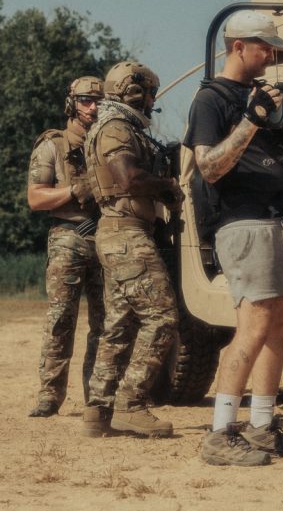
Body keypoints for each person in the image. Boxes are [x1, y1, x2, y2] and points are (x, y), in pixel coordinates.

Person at [184, 10, 283, 466]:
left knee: (278, 329)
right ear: (238, 46)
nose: (271, 55)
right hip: (245, 224)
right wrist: (251, 120)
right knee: (252, 329)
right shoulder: (212, 100)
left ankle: (261, 426)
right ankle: (219, 434)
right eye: (264, 46)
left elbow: (267, 166)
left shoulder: (259, 97)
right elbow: (210, 167)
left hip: (282, 220)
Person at [81, 61, 182, 438]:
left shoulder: (112, 125)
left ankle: (98, 411)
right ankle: (131, 403)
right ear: (133, 92)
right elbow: (127, 177)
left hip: (121, 234)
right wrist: (167, 187)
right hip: (127, 235)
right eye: (150, 93)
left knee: (119, 326)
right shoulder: (117, 127)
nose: (153, 102)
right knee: (162, 318)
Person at [26, 76, 106, 417]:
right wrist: (75, 191)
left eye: (98, 101)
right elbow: (35, 198)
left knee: (107, 323)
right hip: (68, 236)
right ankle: (49, 395)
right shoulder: (53, 145)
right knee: (61, 319)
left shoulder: (110, 141)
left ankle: (99, 396)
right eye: (86, 100)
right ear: (71, 103)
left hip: (106, 236)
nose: (92, 106)